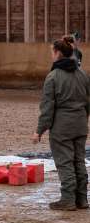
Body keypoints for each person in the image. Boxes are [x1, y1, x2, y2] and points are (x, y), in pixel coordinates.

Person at [32, 36, 89, 211]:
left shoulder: (53, 76)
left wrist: (39, 131)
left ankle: (68, 199)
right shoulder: (82, 74)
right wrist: (83, 118)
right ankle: (82, 199)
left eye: (52, 51)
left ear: (57, 53)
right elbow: (88, 101)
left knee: (65, 162)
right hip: (80, 124)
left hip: (62, 126)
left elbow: (48, 108)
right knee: (79, 161)